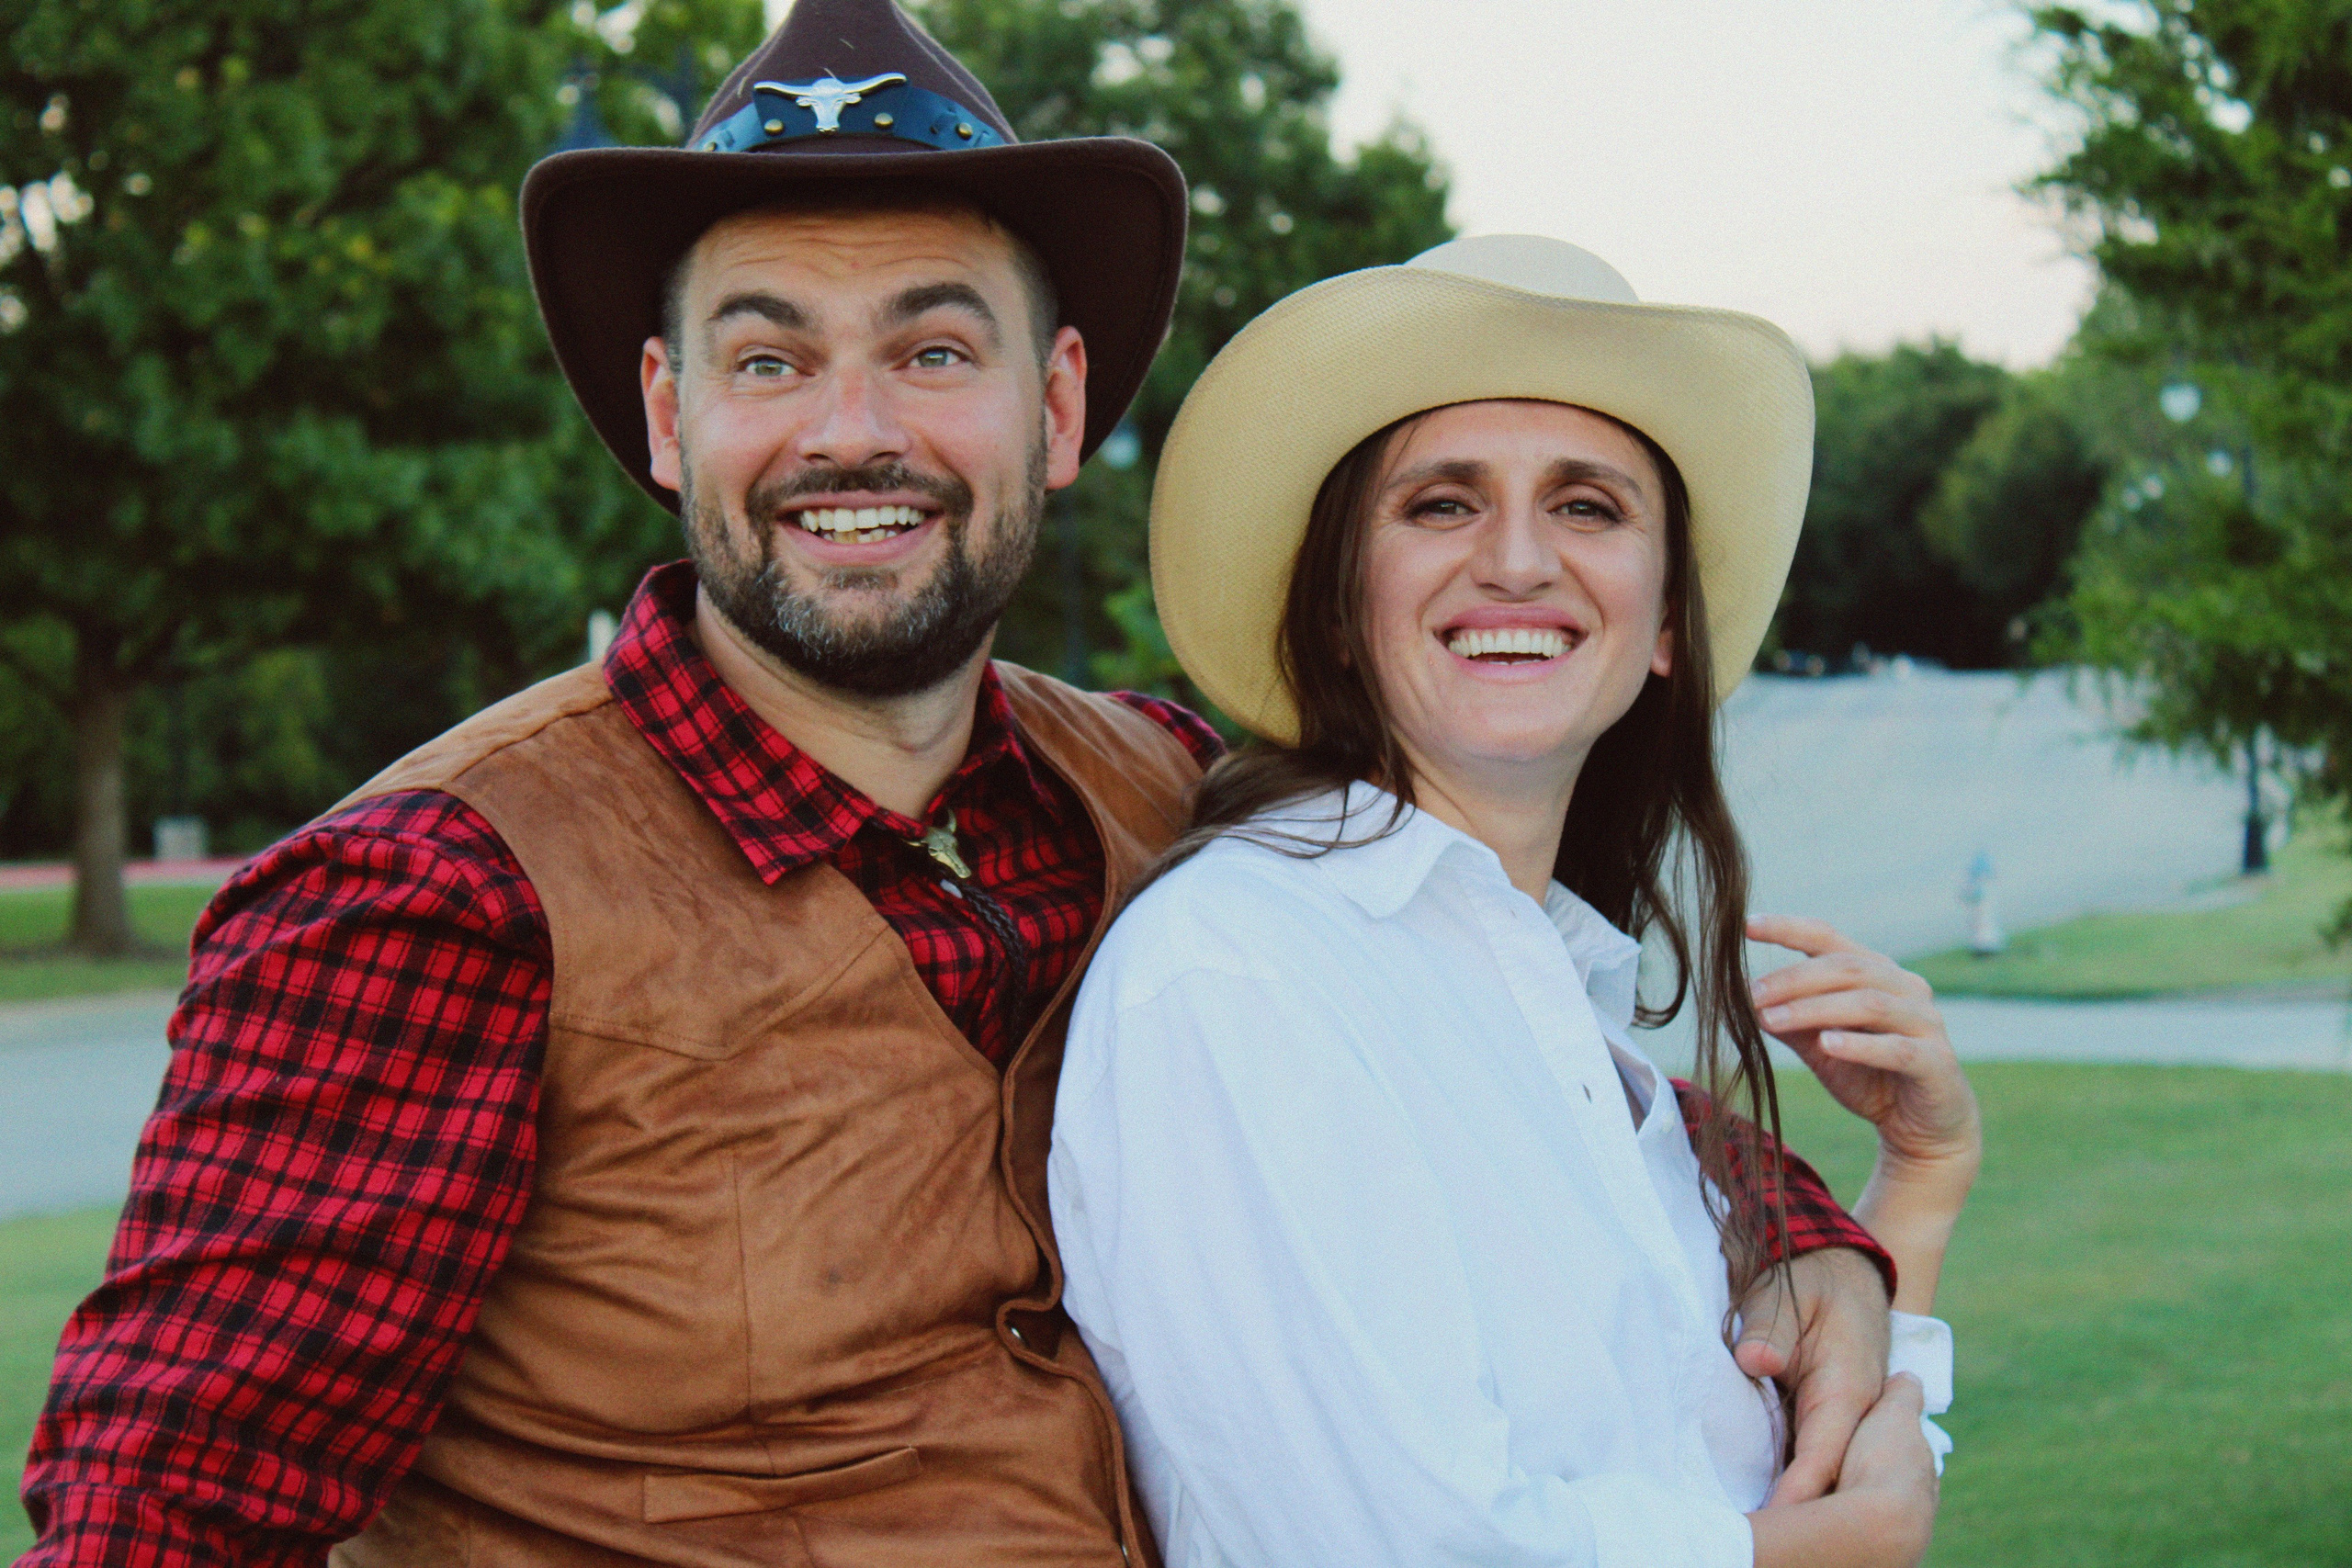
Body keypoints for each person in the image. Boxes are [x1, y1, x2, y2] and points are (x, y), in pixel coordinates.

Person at [22, 5, 1909, 1562]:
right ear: (671, 417)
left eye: (934, 346)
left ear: (1058, 406)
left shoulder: (1160, 783)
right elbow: (162, 1511)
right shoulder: (435, 890)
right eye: (770, 355)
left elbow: (1482, 1050)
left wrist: (1798, 1224)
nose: (853, 429)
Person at [1048, 235, 1984, 1567]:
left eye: (1590, 507)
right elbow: (1382, 1543)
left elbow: (1792, 1475)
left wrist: (1923, 1185)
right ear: (1335, 612)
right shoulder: (1239, 973)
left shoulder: (1551, 1002)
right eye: (1441, 504)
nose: (1520, 562)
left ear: (1664, 624)